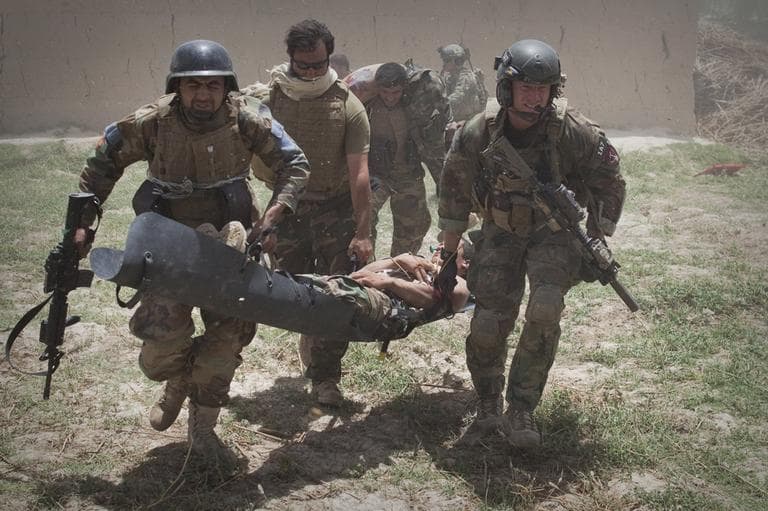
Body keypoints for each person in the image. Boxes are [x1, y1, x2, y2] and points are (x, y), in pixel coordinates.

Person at [75, 39, 310, 467]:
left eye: (213, 85)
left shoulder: (248, 118)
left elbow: (294, 163)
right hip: (168, 246)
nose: (203, 95)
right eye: (193, 85)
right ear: (177, 87)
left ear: (226, 87)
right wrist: (82, 222)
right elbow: (102, 163)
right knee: (158, 350)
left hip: (232, 246)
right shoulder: (152, 122)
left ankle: (203, 428)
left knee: (227, 341)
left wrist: (274, 216)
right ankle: (176, 382)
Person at [437, 39, 626, 448]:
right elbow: (453, 190)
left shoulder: (573, 130)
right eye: (525, 87)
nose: (534, 97)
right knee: (488, 322)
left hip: (554, 234)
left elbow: (610, 182)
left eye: (543, 89)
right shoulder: (478, 130)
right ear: (506, 87)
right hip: (500, 230)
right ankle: (488, 402)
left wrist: (597, 238)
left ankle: (521, 407)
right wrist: (448, 252)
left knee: (545, 309)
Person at [243, 19, 373, 407]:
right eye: (304, 66)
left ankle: (326, 377)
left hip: (336, 209)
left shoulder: (348, 106)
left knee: (340, 296)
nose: (313, 72)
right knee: (294, 293)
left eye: (319, 64)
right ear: (291, 60)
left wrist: (363, 232)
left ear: (329, 58)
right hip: (289, 211)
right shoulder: (268, 101)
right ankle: (308, 335)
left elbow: (360, 174)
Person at [367, 63, 432, 257]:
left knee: (415, 225)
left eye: (395, 92)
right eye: (385, 92)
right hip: (376, 174)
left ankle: (401, 265)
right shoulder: (368, 105)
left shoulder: (413, 106)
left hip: (407, 174)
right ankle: (364, 265)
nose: (390, 97)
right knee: (362, 218)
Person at [438, 44, 486, 122]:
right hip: (457, 118)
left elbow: (458, 96)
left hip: (468, 119)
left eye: (446, 60)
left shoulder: (466, 76)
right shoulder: (450, 77)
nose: (444, 64)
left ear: (456, 61)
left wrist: (440, 104)